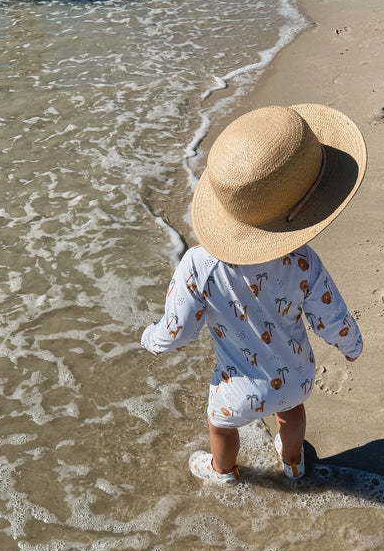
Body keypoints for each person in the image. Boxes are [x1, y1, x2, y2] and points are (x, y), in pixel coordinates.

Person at [141, 103, 367, 484]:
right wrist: (351, 344)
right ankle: (293, 463)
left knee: (220, 427)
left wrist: (152, 339)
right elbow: (330, 314)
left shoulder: (199, 265)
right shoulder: (303, 260)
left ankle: (223, 471)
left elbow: (178, 330)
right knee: (291, 414)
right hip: (296, 378)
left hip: (236, 390)